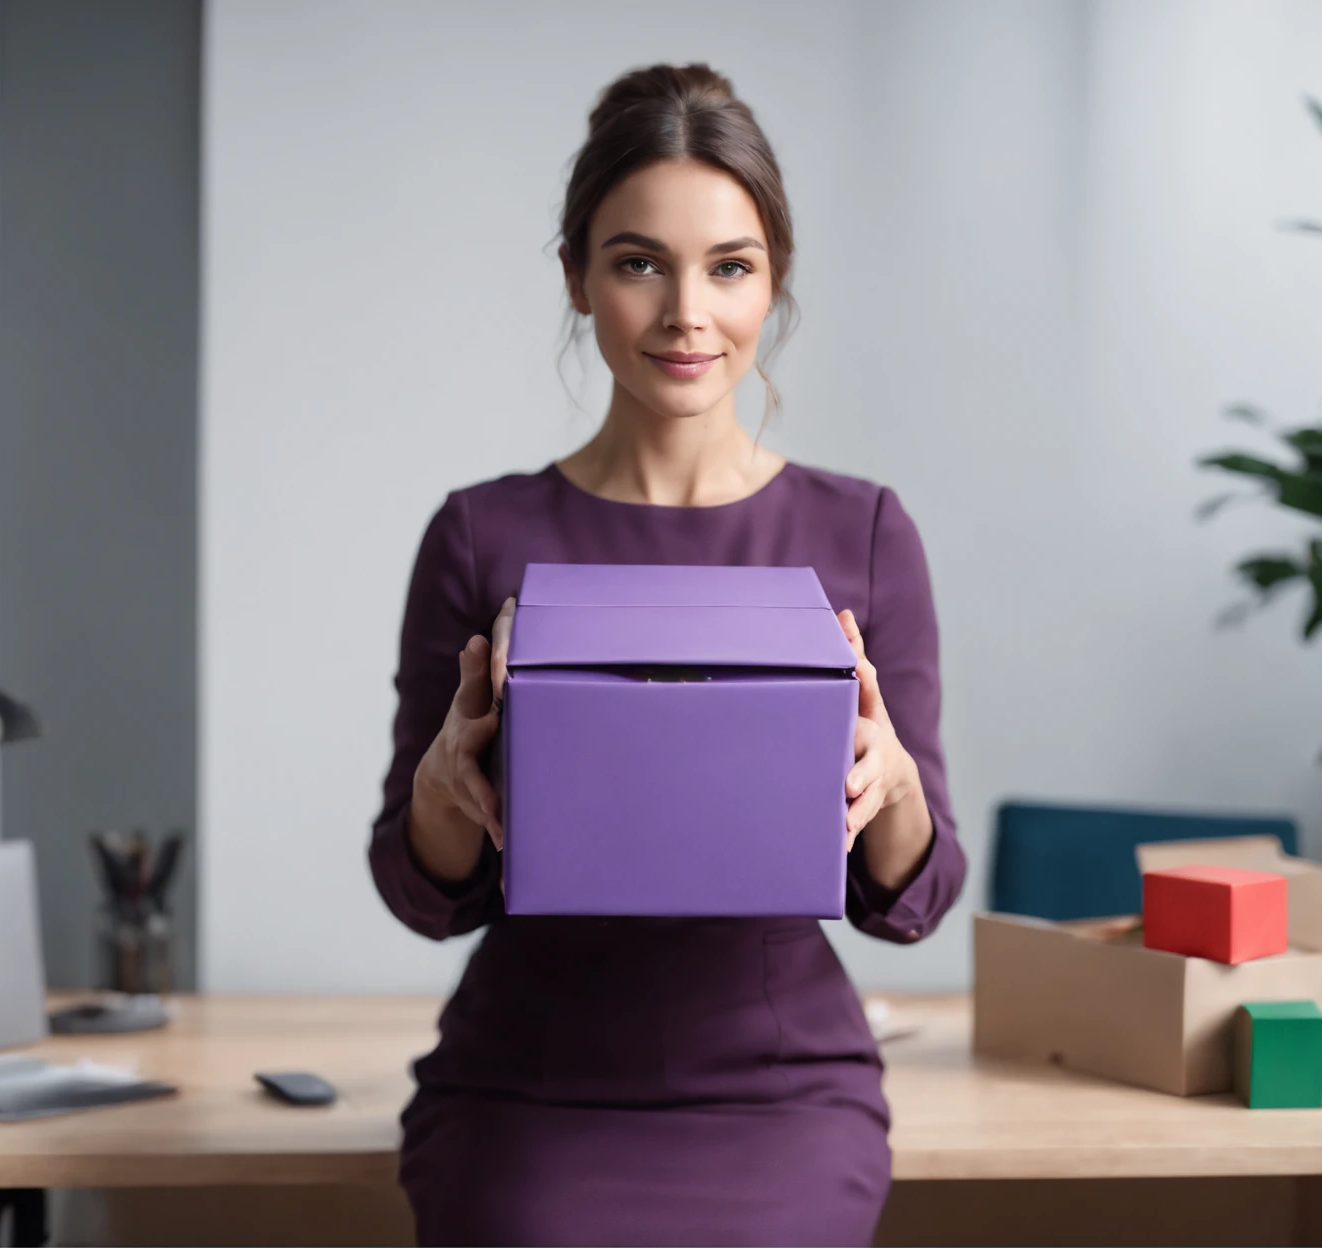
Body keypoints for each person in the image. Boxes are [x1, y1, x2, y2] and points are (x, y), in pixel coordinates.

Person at [368, 62, 967, 1248]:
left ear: (773, 282)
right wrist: (443, 791)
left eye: (730, 267)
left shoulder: (864, 533)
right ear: (578, 279)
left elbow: (916, 897)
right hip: (527, 1087)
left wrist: (893, 787)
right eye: (640, 262)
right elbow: (416, 888)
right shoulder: (483, 536)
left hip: (780, 1093)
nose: (688, 313)